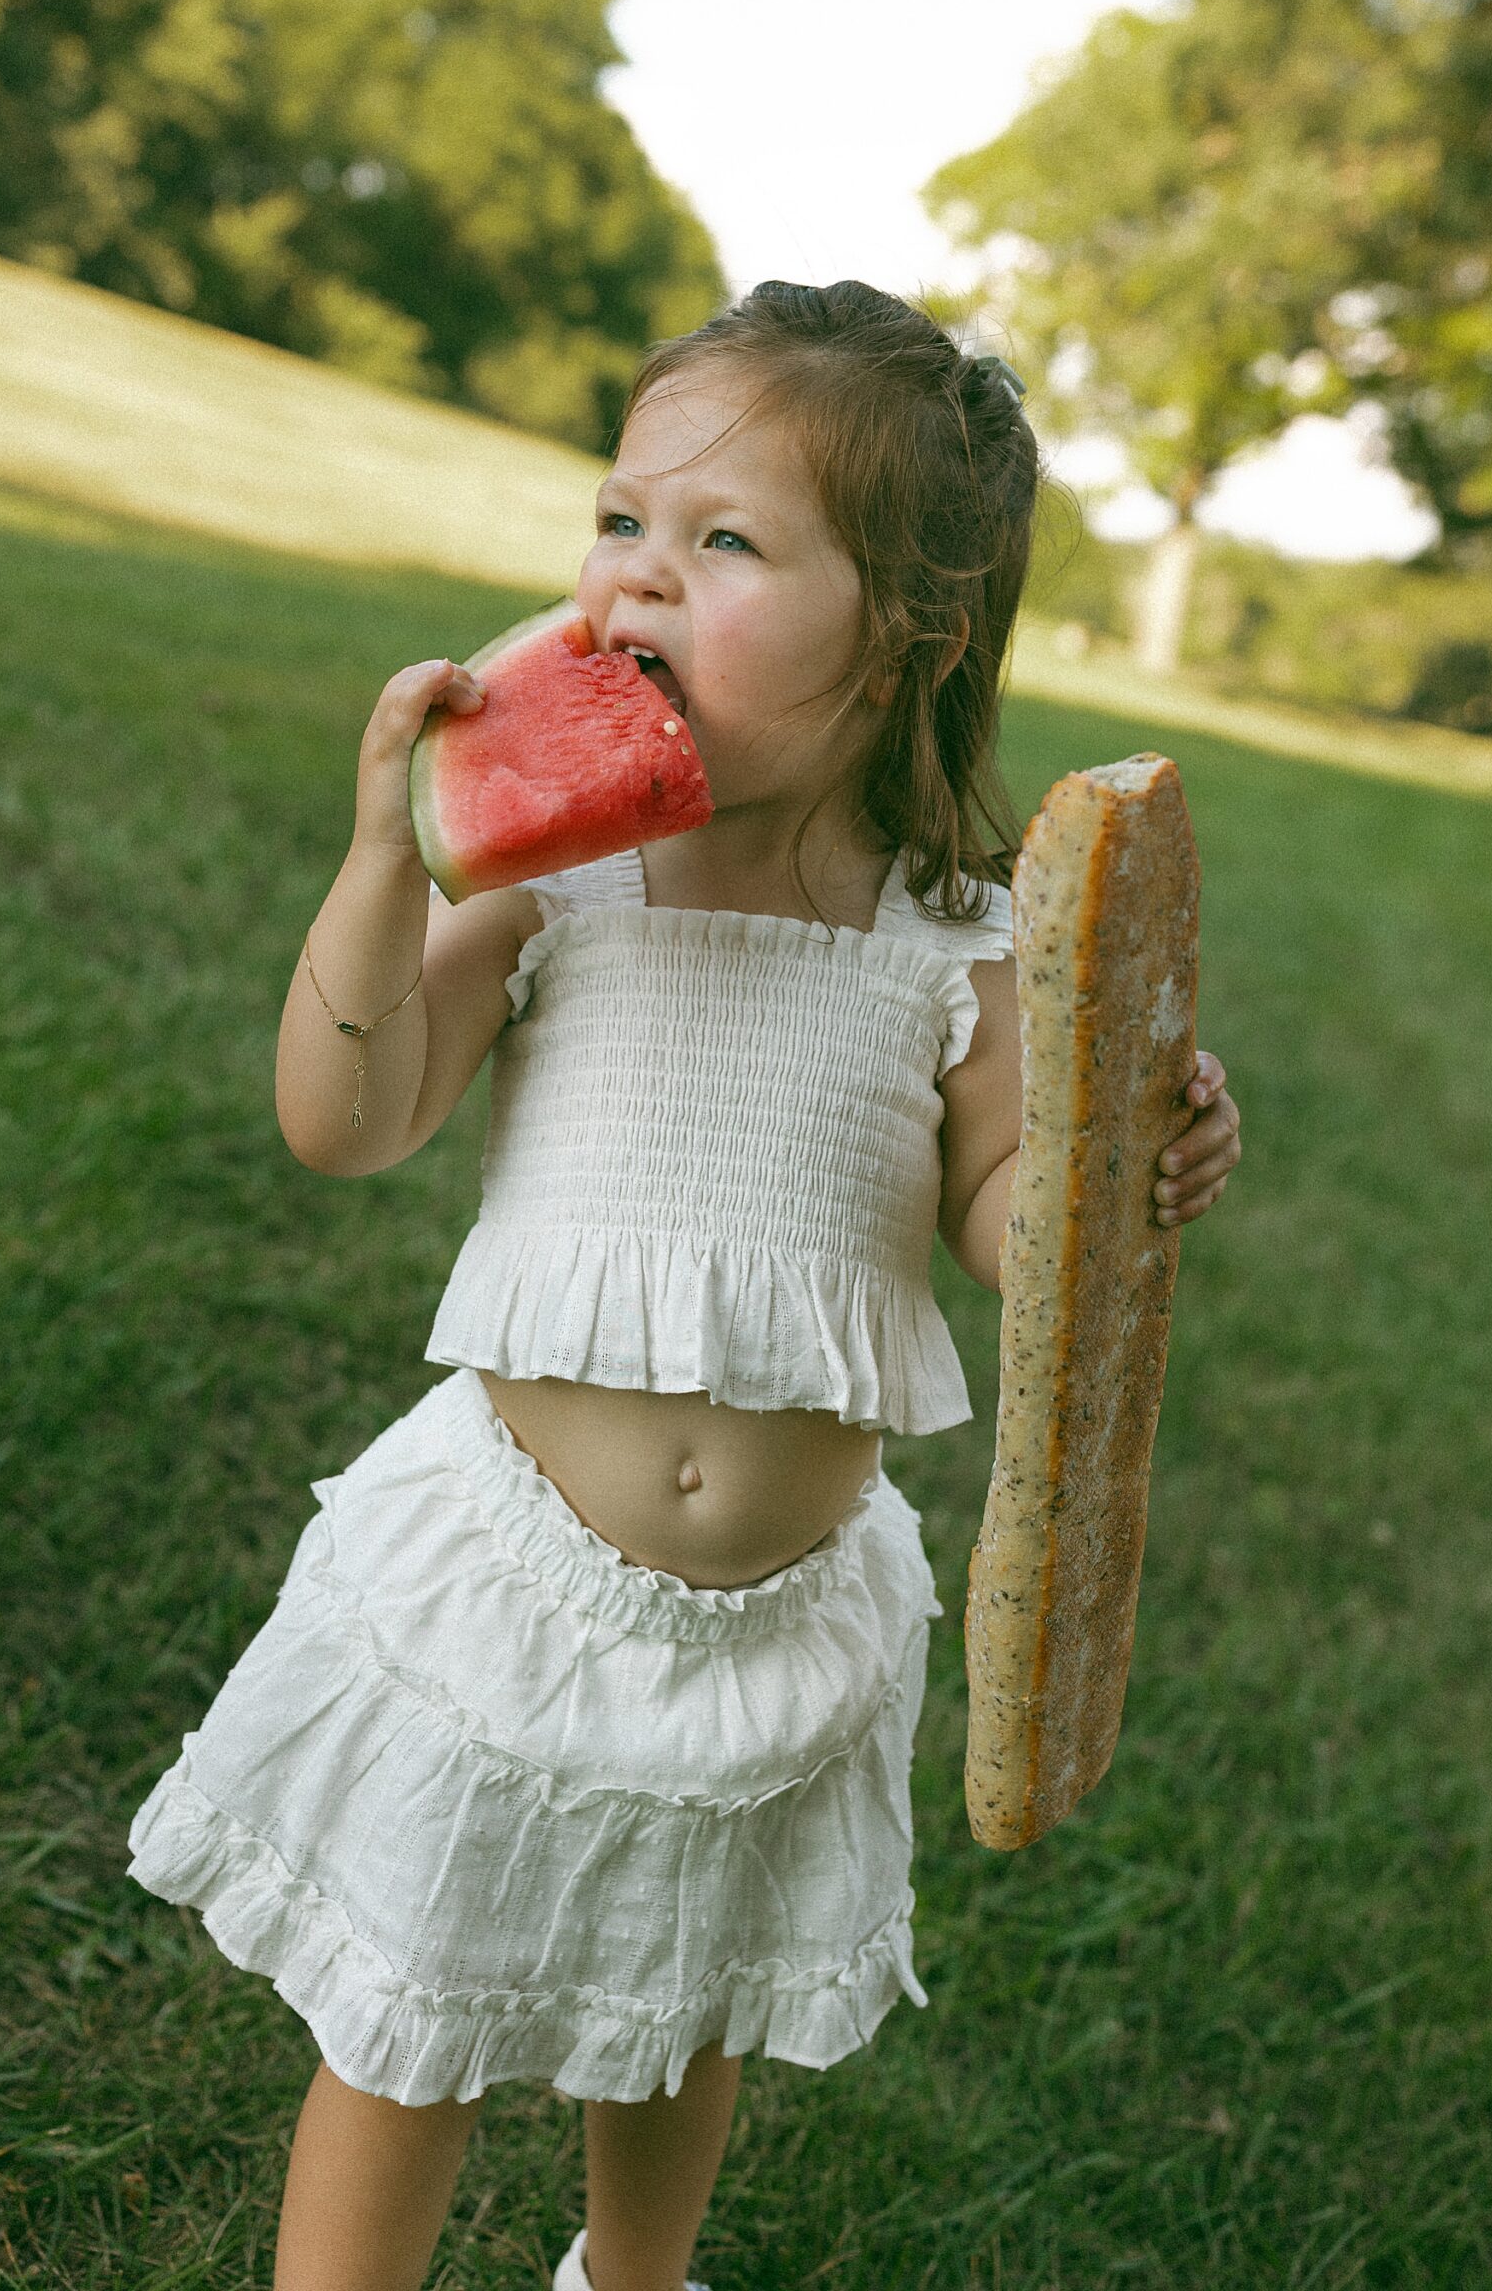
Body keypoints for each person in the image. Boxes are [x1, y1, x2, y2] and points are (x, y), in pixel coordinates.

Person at [126, 279, 1243, 2291]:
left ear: (903, 627)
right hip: (511, 1585)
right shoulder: (555, 882)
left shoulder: (958, 941)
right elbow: (346, 1113)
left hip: (783, 1624)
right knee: (412, 2017)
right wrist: (392, 861)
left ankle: (632, 2274)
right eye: (619, 518)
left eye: (721, 541)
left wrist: (1118, 1161)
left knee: (685, 1997)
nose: (636, 576)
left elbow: (1015, 1227)